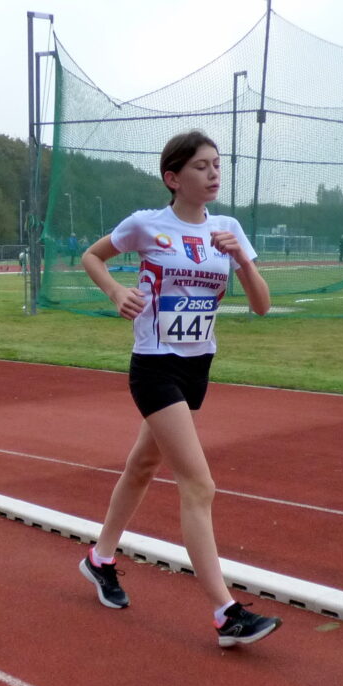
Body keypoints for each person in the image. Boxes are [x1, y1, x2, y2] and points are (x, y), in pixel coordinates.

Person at [79, 130, 281, 647]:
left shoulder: (228, 228)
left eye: (217, 165)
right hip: (155, 367)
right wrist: (116, 290)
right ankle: (225, 614)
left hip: (197, 367)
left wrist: (243, 259)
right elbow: (92, 256)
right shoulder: (147, 225)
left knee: (143, 466)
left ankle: (99, 558)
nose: (214, 174)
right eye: (201, 167)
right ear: (173, 178)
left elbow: (261, 305)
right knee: (199, 485)